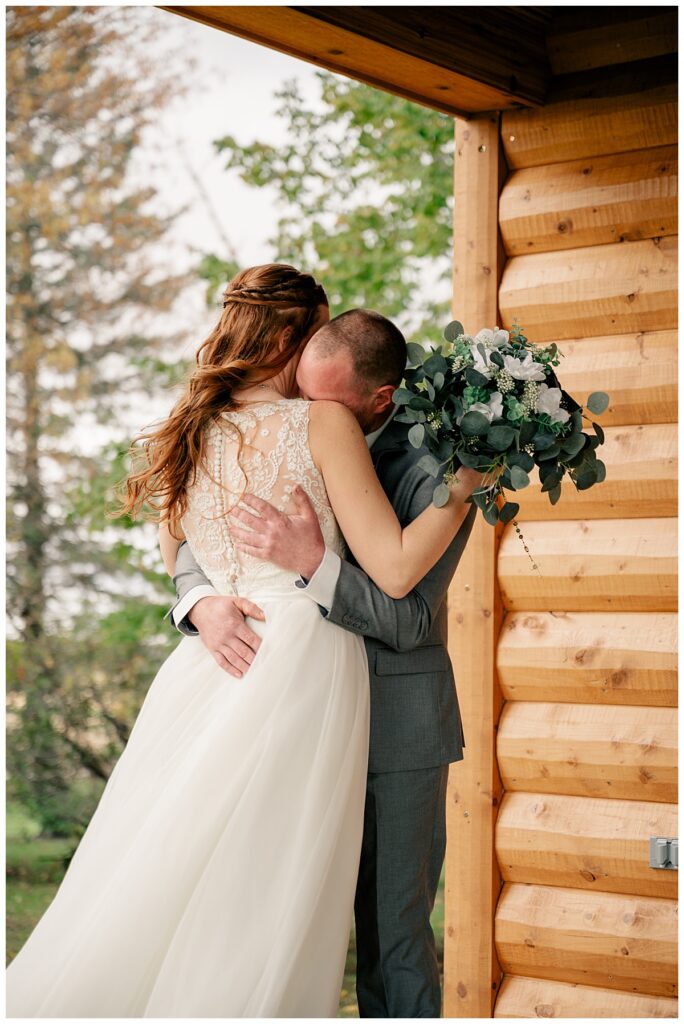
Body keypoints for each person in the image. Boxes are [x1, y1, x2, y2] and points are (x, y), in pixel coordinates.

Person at [6, 264, 484, 1018]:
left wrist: (203, 603)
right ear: (293, 339)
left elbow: (178, 558)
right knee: (276, 893)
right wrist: (465, 488)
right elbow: (393, 568)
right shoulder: (320, 423)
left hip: (210, 670)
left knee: (189, 876)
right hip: (298, 662)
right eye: (316, 336)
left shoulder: (191, 425)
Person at [169, 306, 481, 1017]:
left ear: (378, 402)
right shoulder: (290, 427)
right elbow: (196, 543)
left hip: (395, 731)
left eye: (327, 403)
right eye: (302, 393)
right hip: (292, 716)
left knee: (391, 938)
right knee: (265, 916)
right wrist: (199, 602)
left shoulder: (435, 463)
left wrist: (313, 566)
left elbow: (411, 617)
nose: (308, 416)